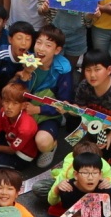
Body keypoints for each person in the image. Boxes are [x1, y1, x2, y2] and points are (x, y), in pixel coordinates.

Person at [16, 23, 73, 166]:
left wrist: (38, 109)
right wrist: (24, 75)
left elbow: (64, 103)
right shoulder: (26, 60)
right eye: (39, 42)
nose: (41, 48)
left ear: (57, 50)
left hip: (48, 114)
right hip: (24, 109)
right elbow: (13, 90)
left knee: (43, 143)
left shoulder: (62, 70)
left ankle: (52, 146)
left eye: (48, 45)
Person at [72, 49, 111, 154]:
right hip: (90, 125)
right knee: (82, 153)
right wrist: (70, 109)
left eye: (97, 69)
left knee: (106, 157)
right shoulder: (84, 86)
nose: (92, 75)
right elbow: (81, 108)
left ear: (109, 70)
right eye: (88, 70)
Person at [0, 82, 38, 172]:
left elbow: (12, 150)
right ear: (2, 101)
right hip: (8, 141)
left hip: (21, 156)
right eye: (7, 101)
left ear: (23, 105)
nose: (9, 107)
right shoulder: (3, 111)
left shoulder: (25, 128)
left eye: (15, 103)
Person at [0, 21, 35, 111]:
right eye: (19, 38)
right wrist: (2, 108)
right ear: (10, 39)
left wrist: (19, 76)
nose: (24, 43)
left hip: (5, 84)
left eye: (28, 39)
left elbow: (16, 84)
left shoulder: (30, 59)